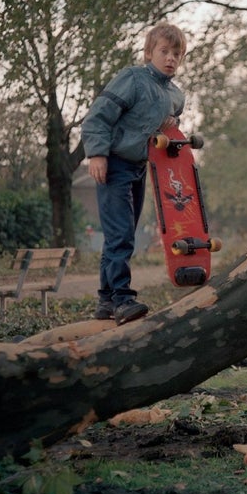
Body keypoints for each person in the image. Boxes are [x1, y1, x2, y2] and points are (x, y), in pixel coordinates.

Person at [82, 23, 187, 325]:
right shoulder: (133, 79)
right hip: (114, 164)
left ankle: (105, 300)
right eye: (164, 51)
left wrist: (168, 125)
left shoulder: (176, 95)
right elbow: (97, 116)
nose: (170, 58)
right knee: (121, 234)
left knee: (121, 234)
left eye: (176, 54)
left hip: (141, 168)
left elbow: (170, 124)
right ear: (148, 52)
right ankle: (123, 299)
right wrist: (97, 154)